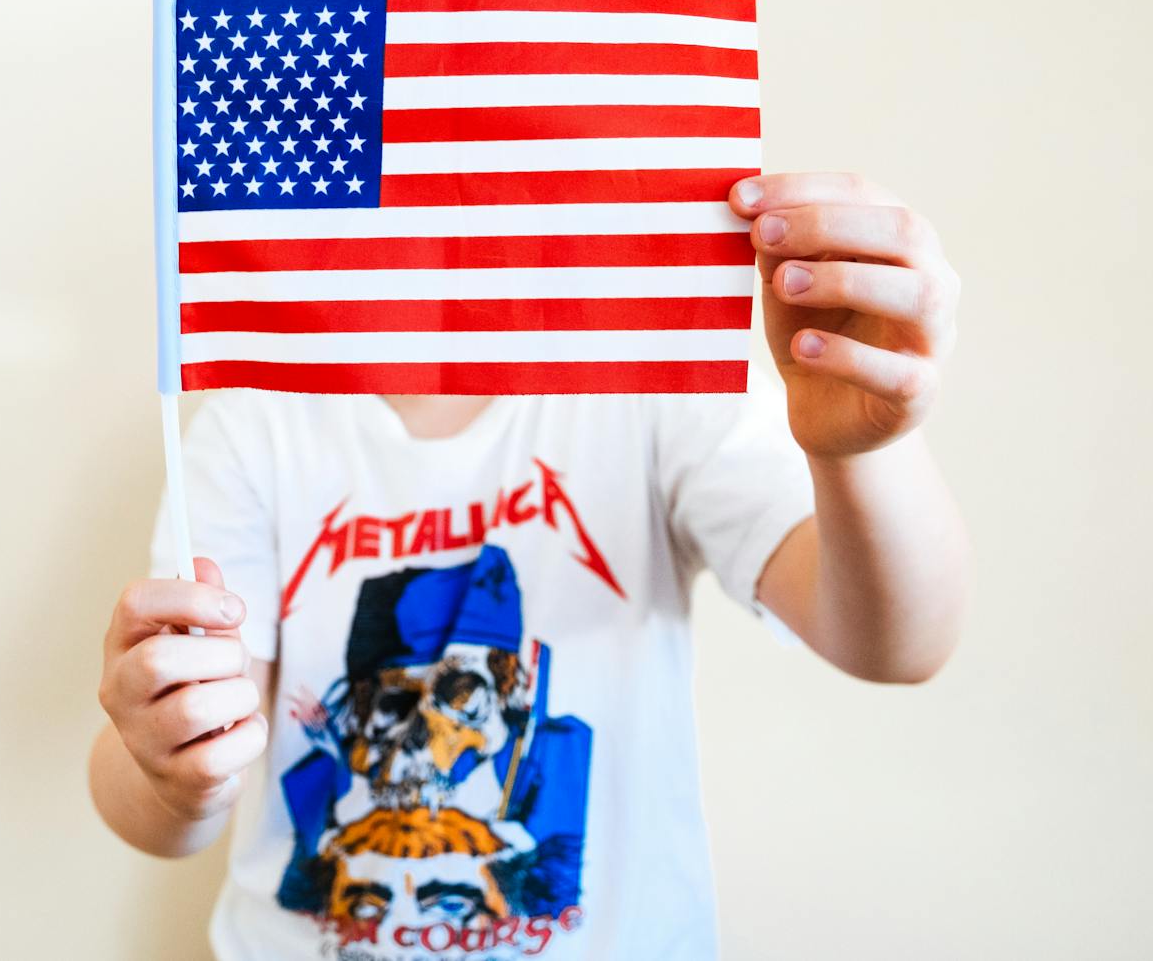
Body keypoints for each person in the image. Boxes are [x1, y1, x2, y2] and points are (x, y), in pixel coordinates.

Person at [90, 173, 970, 959]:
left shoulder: (651, 377)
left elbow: (895, 643)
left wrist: (860, 452)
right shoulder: (257, 423)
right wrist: (173, 769)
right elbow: (164, 789)